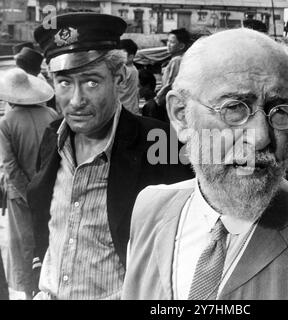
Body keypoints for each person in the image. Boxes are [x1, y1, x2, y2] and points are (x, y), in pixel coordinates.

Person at [122, 28, 288, 300]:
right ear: (181, 116)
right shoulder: (150, 209)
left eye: (280, 111)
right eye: (234, 107)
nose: (260, 137)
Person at [28, 12, 193, 300]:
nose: (76, 101)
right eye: (65, 83)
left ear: (117, 79)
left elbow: (187, 241)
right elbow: (47, 221)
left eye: (91, 82)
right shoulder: (52, 136)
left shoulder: (160, 142)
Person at [0, 68, 58, 300]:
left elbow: (10, 166)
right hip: (51, 190)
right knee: (49, 239)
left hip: (21, 196)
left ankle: (28, 293)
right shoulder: (51, 115)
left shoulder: (6, 122)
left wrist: (28, 194)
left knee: (23, 246)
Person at [155, 28, 191, 121]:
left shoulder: (176, 60)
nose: (168, 44)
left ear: (181, 46)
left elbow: (169, 84)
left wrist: (157, 98)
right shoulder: (181, 59)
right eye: (168, 41)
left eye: (172, 42)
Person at [119, 38, 140, 115]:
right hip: (132, 109)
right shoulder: (134, 69)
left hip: (123, 110)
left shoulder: (124, 69)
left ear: (130, 57)